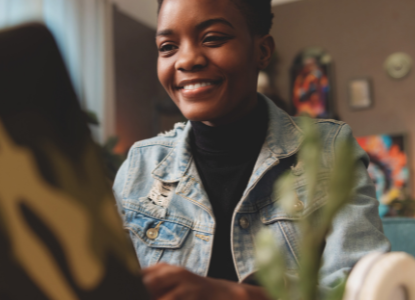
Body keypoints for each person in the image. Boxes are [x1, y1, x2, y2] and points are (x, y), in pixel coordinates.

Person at [113, 0, 389, 299]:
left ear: (262, 51)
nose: (186, 59)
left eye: (213, 39)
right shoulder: (139, 165)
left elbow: (362, 289)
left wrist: (236, 296)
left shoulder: (329, 149)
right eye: (167, 47)